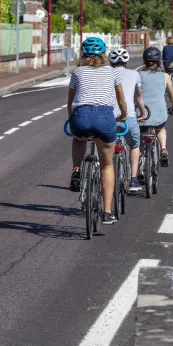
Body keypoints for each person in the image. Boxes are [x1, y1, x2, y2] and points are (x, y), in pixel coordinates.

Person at [67, 37, 127, 225]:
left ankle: (76, 170)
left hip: (81, 116)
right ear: (104, 54)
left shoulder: (77, 72)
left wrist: (72, 120)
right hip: (105, 118)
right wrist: (124, 115)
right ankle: (107, 212)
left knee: (78, 138)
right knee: (107, 165)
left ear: (83, 54)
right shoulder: (112, 72)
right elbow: (121, 100)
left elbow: (70, 101)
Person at [109, 47, 146, 193]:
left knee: (105, 147)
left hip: (109, 118)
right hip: (129, 116)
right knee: (135, 145)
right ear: (126, 61)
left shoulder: (106, 73)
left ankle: (105, 178)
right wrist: (142, 113)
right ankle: (133, 180)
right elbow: (139, 97)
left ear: (110, 62)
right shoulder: (135, 74)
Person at [139, 46, 173, 167]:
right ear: (159, 61)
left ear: (144, 61)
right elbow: (172, 95)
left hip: (142, 113)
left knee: (141, 136)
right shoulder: (165, 76)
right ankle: (163, 149)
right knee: (160, 128)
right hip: (159, 112)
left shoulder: (137, 75)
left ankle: (140, 166)